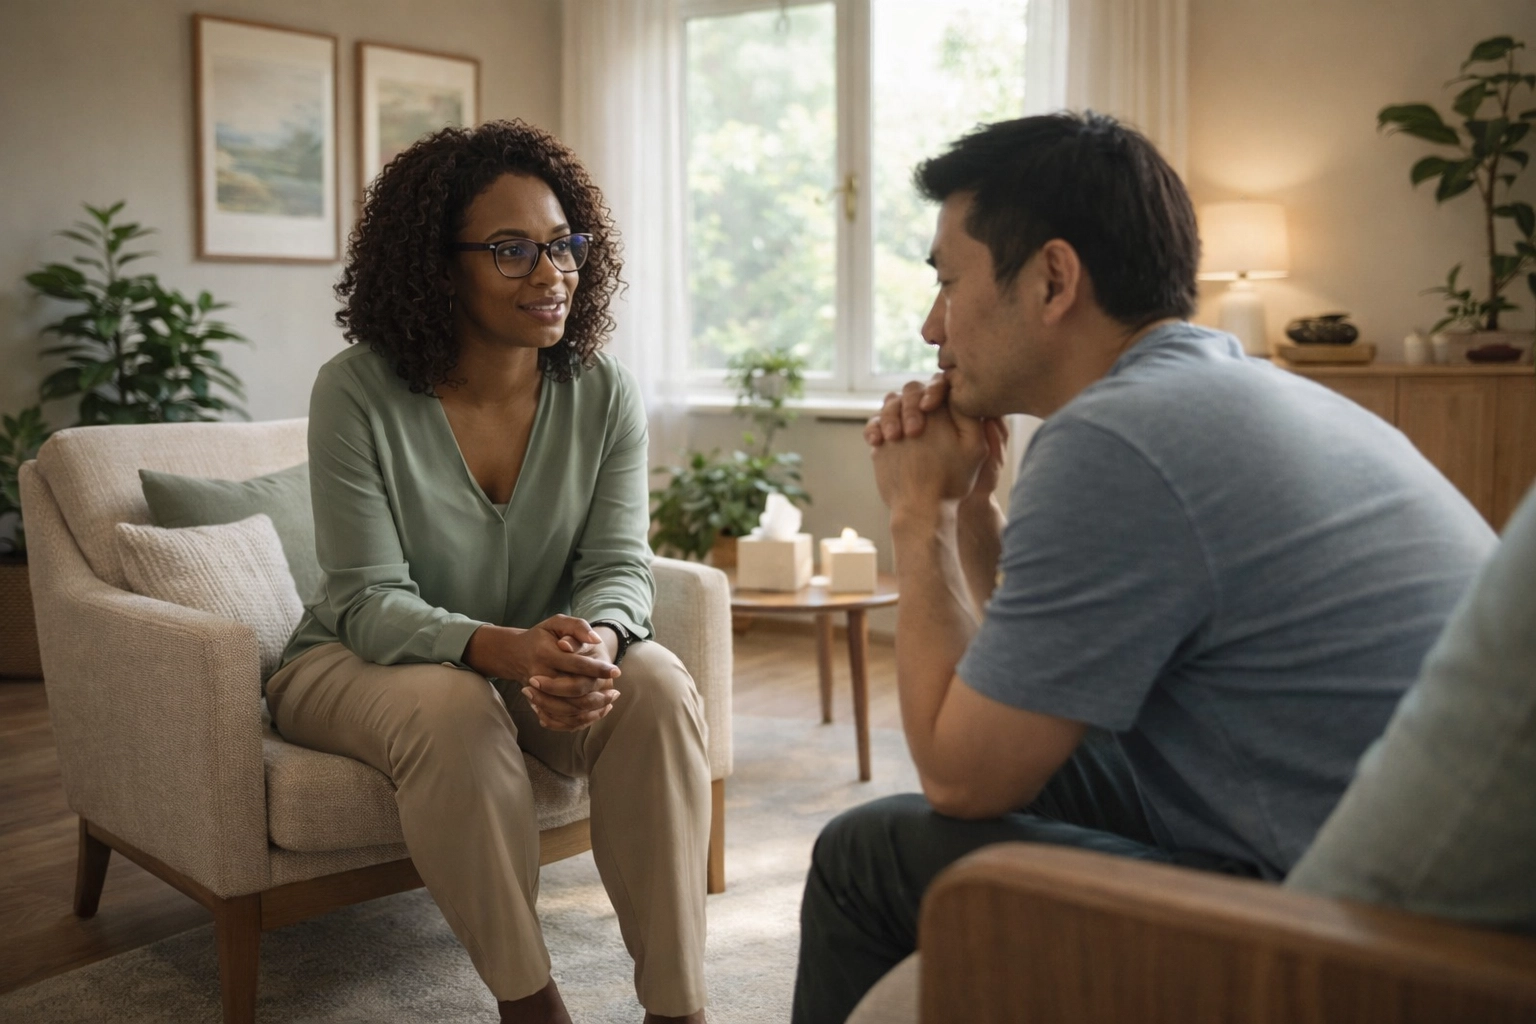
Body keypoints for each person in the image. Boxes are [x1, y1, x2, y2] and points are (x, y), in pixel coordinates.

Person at [790, 112, 1496, 1024]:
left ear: (1052, 278)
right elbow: (1035, 685)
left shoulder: (1115, 441)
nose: (933, 328)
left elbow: (964, 777)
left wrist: (914, 515)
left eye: (947, 282)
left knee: (867, 854)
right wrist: (972, 515)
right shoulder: (1230, 388)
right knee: (1049, 752)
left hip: (1369, 938)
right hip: (1418, 866)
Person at [266, 120, 710, 1024]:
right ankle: (528, 1000)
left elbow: (620, 563)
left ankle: (679, 1007)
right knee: (451, 702)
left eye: (562, 246)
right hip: (360, 662)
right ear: (439, 265)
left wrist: (600, 643)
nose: (551, 274)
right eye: (512, 251)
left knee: (655, 682)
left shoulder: (605, 393)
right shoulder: (354, 391)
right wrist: (501, 649)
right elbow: (365, 599)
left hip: (530, 665)